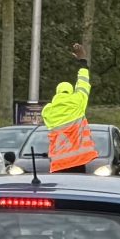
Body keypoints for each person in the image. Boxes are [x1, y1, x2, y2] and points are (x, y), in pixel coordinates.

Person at [41, 43, 98, 173]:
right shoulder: (78, 101)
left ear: (57, 93)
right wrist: (83, 62)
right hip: (79, 160)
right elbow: (83, 82)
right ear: (71, 91)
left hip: (58, 162)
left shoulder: (48, 111)